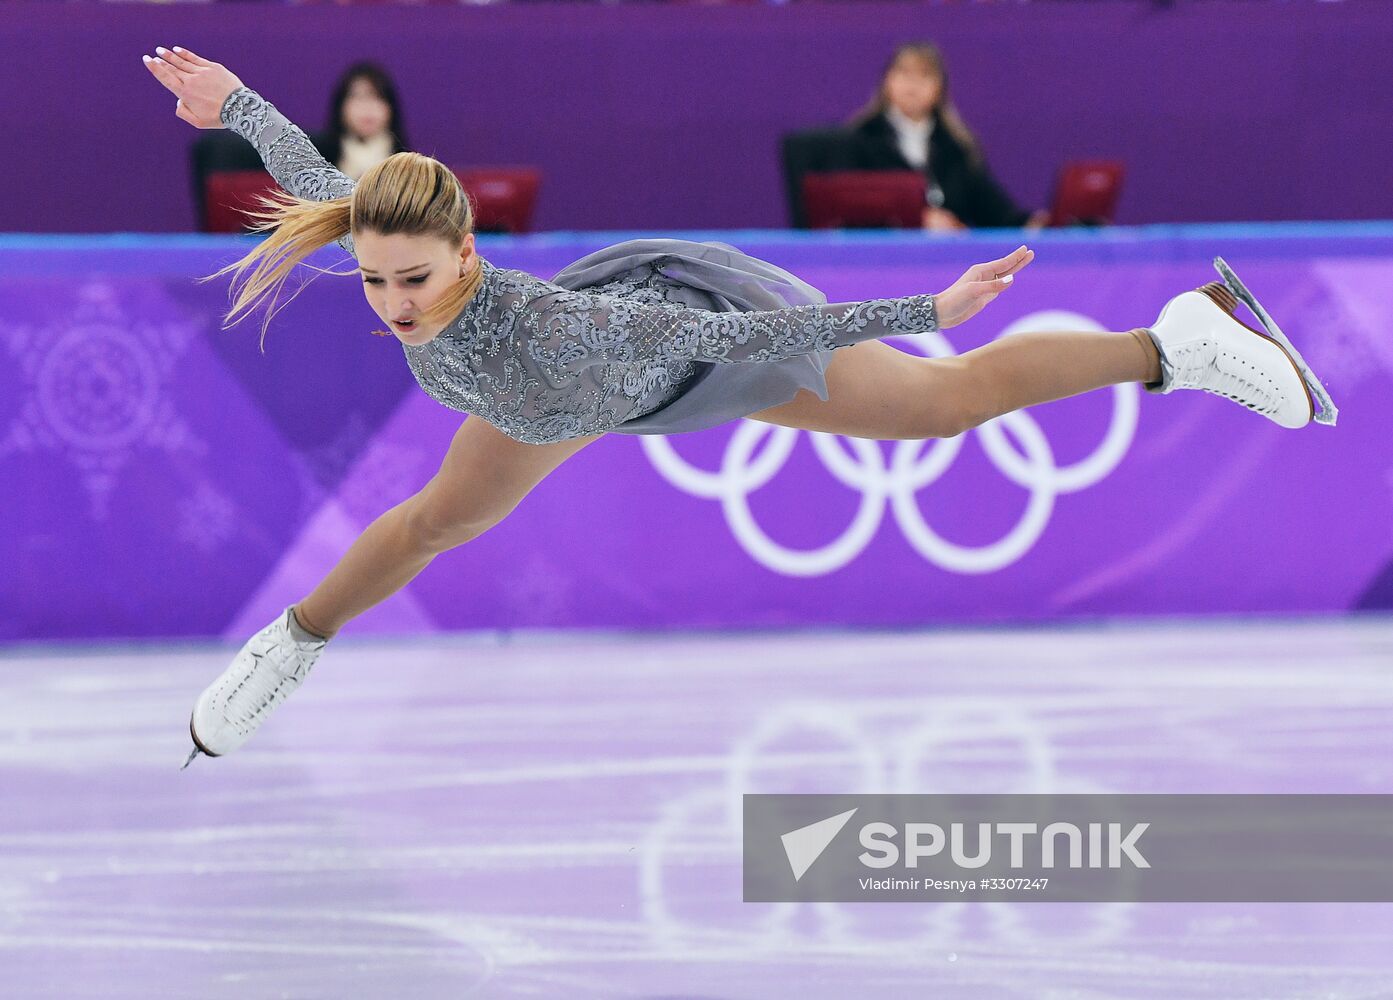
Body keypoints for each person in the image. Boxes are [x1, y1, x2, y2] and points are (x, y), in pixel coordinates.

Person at [141, 46, 1332, 769]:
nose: (394, 305)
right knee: (428, 524)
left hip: (696, 351)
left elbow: (746, 336)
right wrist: (234, 99)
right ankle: (286, 650)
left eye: (415, 278)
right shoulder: (384, 247)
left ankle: (1173, 343)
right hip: (557, 406)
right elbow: (312, 177)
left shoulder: (568, 322)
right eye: (377, 280)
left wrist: (924, 308)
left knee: (946, 405)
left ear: (466, 252)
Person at [848, 41, 1051, 233]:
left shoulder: (955, 148)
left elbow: (995, 212)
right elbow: (850, 211)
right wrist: (917, 220)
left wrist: (1034, 225)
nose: (913, 84)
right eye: (904, 72)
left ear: (939, 87)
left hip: (947, 262)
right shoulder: (859, 141)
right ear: (887, 80)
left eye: (924, 75)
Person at [312, 61, 410, 182]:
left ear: (391, 107)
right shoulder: (316, 159)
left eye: (377, 97)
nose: (367, 108)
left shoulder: (408, 166)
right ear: (341, 106)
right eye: (358, 97)